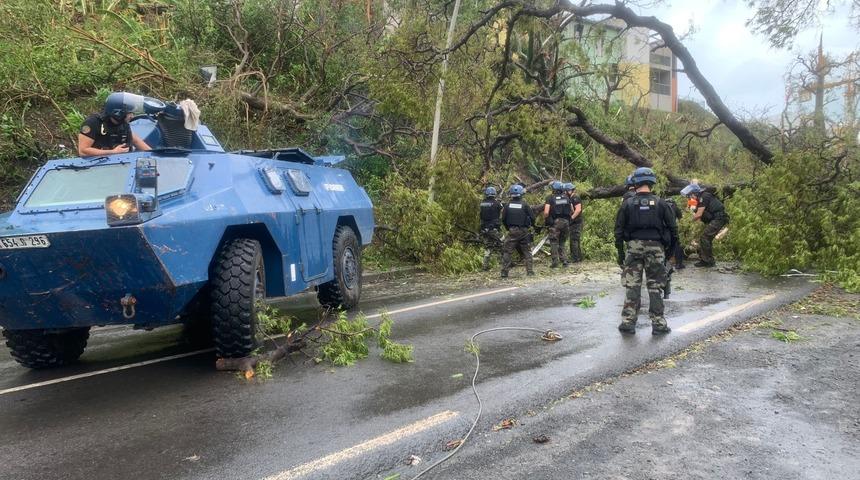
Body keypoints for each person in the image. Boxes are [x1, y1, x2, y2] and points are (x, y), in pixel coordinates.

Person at [614, 167, 679, 335]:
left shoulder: (627, 203)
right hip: (656, 249)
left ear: (635, 182)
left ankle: (628, 323)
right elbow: (673, 230)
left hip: (633, 248)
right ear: (652, 182)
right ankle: (659, 324)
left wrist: (621, 253)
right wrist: (669, 253)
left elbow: (619, 231)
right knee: (655, 286)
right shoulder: (661, 203)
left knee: (632, 286)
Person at [78, 93, 151, 156]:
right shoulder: (93, 123)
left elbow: (135, 140)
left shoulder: (123, 122)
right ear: (118, 113)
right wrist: (113, 152)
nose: (132, 116)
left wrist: (152, 154)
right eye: (129, 113)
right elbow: (83, 151)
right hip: (99, 165)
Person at [680, 183, 729, 267]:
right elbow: (699, 214)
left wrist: (688, 222)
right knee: (705, 238)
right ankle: (705, 259)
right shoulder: (699, 199)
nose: (690, 198)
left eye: (690, 195)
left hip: (719, 218)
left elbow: (699, 214)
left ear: (694, 193)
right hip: (715, 219)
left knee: (705, 237)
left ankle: (708, 261)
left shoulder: (704, 196)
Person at [501, 184, 535, 278]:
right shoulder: (525, 204)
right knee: (527, 251)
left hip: (512, 231)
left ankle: (504, 272)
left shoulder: (507, 205)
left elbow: (503, 219)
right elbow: (532, 217)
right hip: (524, 231)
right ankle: (530, 271)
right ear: (521, 194)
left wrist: (508, 228)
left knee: (507, 251)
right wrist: (530, 225)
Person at [543, 181, 571, 268]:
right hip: (566, 222)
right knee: (562, 242)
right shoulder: (567, 197)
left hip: (555, 222)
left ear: (554, 189)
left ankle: (555, 262)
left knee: (554, 242)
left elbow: (546, 212)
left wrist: (547, 219)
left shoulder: (550, 198)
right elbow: (572, 210)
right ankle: (564, 261)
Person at [479, 186, 504, 271]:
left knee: (488, 246)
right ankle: (506, 263)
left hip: (484, 228)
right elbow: (502, 213)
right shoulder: (497, 203)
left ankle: (485, 265)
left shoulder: (482, 203)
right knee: (504, 242)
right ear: (494, 194)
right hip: (494, 229)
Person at [664, 198, 685, 269]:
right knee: (678, 244)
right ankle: (679, 264)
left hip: (662, 230)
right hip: (672, 228)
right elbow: (681, 219)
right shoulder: (675, 207)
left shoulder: (661, 206)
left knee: (664, 246)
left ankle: (664, 263)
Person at [567, 182, 584, 263]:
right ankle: (578, 257)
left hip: (576, 222)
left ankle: (575, 258)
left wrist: (571, 218)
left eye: (567, 190)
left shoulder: (575, 197)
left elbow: (578, 210)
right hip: (574, 222)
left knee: (574, 240)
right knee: (575, 240)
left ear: (570, 190)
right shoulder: (571, 197)